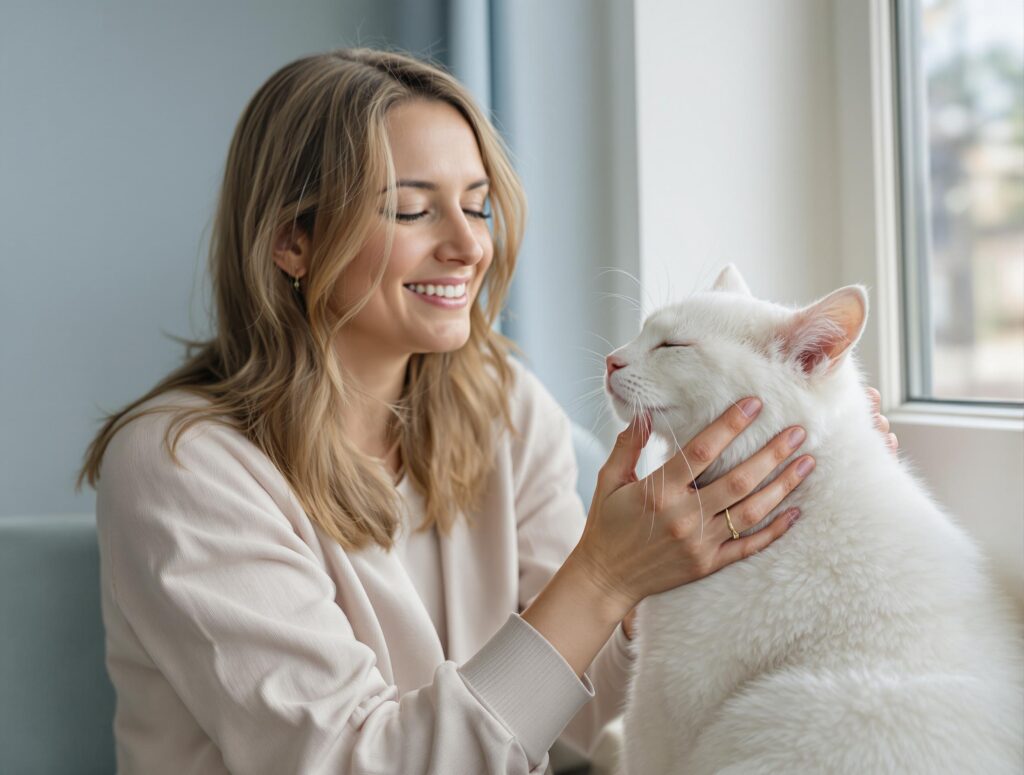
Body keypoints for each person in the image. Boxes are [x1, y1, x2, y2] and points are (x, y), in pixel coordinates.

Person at [77, 48, 898, 775]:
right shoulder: (181, 465)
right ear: (292, 239)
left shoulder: (500, 403)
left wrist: (746, 523)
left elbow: (586, 708)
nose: (470, 246)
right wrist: (606, 573)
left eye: (476, 204)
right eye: (411, 208)